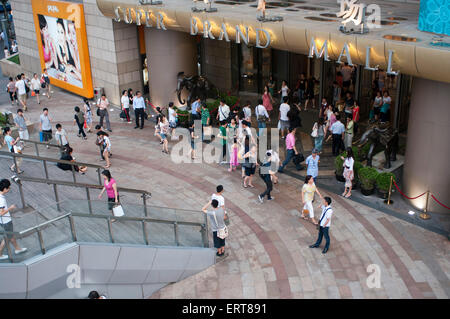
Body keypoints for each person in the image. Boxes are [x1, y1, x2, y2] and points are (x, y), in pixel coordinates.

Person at [0, 179, 27, 260]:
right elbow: (1, 213)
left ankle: (17, 249)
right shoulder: (1, 200)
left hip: (2, 221)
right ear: (5, 189)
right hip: (6, 221)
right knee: (7, 238)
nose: (9, 189)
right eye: (8, 188)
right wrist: (10, 208)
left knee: (10, 235)